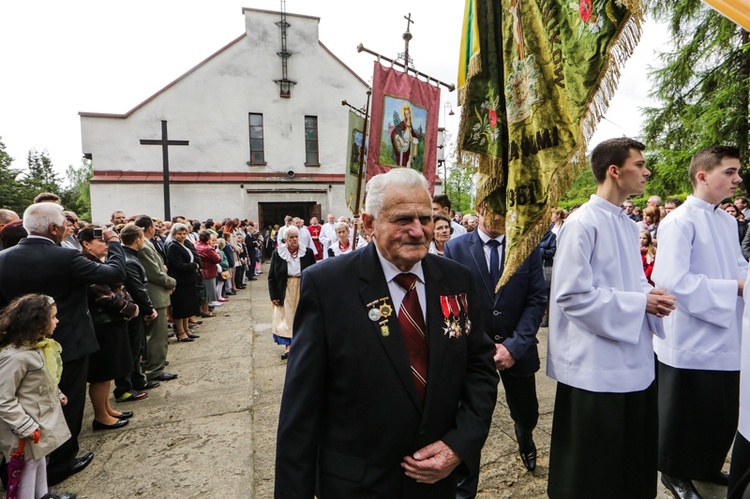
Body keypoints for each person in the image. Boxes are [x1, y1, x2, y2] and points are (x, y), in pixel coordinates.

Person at [274, 168, 498, 498]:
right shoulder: (327, 285)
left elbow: (480, 368)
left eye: (425, 218)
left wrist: (460, 445)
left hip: (438, 483)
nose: (418, 231)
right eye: (402, 219)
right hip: (358, 485)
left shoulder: (456, 279)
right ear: (368, 224)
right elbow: (301, 409)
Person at [546, 138, 676, 498]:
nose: (647, 171)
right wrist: (640, 304)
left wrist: (649, 296)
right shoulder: (582, 224)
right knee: (593, 470)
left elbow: (627, 282)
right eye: (640, 164)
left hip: (632, 358)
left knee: (629, 461)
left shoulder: (624, 223)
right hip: (595, 366)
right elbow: (572, 296)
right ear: (614, 171)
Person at [0, 202, 127, 486]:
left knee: (28, 406)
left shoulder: (3, 258)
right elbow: (114, 274)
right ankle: (63, 462)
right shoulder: (65, 258)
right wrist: (115, 243)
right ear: (55, 228)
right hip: (68, 341)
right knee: (67, 403)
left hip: (19, 347)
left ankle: (28, 469)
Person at [651, 146, 747, 498]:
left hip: (726, 333)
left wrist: (747, 279)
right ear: (703, 176)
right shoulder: (679, 221)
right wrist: (735, 287)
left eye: (738, 172)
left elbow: (737, 266)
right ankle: (674, 472)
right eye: (730, 172)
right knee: (686, 411)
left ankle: (706, 465)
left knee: (720, 410)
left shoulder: (726, 220)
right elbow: (673, 281)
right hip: (691, 335)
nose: (738, 179)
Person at [444, 202, 546, 497]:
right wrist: (478, 347)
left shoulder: (526, 247)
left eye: (507, 207)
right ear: (479, 208)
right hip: (474, 354)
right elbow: (453, 303)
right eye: (495, 208)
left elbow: (537, 300)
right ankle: (466, 487)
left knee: (527, 413)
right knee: (469, 422)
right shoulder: (456, 248)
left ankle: (524, 436)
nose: (501, 215)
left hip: (519, 349)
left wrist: (513, 347)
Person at [0, 294, 77, 499]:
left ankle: (43, 494)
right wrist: (24, 425)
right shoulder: (15, 357)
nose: (57, 321)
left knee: (39, 458)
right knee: (26, 468)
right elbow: (3, 397)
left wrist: (57, 392)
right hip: (23, 427)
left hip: (36, 420)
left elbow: (44, 378)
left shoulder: (37, 347)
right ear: (37, 322)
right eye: (52, 317)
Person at [78, 227, 143, 419]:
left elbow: (118, 288)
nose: (107, 246)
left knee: (109, 373)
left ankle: (107, 409)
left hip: (111, 322)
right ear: (86, 244)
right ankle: (101, 416)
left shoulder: (97, 262)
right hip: (102, 324)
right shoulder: (85, 263)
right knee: (102, 373)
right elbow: (104, 296)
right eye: (102, 242)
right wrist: (131, 308)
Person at [115, 224, 160, 402]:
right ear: (138, 240)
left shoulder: (130, 256)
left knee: (138, 346)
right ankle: (125, 387)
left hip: (135, 308)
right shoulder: (129, 260)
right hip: (132, 310)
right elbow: (138, 289)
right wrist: (149, 308)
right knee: (132, 348)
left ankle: (138, 380)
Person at [134, 216, 178, 383]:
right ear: (150, 228)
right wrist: (171, 282)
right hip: (155, 294)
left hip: (157, 292)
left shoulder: (146, 243)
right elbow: (154, 272)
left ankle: (153, 364)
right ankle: (154, 369)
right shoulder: (143, 246)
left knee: (154, 335)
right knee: (157, 335)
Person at [267, 226, 315, 360]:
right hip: (285, 288)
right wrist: (274, 295)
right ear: (285, 239)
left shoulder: (307, 252)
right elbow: (271, 277)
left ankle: (303, 346)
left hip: (303, 286)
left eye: (296, 237)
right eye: (291, 237)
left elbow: (313, 273)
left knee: (303, 316)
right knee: (287, 318)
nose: (294, 240)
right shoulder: (278, 253)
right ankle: (288, 348)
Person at [166, 223, 201, 343]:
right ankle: (180, 332)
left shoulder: (183, 245)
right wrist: (193, 265)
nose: (182, 236)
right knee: (181, 308)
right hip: (180, 281)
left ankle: (187, 330)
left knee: (187, 307)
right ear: (173, 234)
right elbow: (177, 265)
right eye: (179, 234)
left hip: (188, 280)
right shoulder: (173, 246)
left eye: (184, 234)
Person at [390, 103, 423, 168]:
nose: (407, 115)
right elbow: (393, 133)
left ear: (410, 113)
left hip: (409, 147)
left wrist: (412, 139)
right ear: (404, 115)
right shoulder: (402, 123)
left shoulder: (410, 124)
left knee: (408, 164)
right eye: (406, 114)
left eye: (408, 113)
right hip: (402, 147)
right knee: (402, 164)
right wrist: (399, 139)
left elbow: (414, 136)